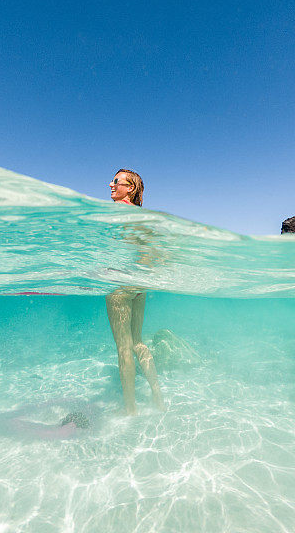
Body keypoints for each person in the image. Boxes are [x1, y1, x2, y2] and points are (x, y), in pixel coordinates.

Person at [106, 169, 165, 414]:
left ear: (129, 188)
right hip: (139, 285)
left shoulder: (114, 213)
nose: (110, 184)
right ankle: (157, 395)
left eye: (116, 181)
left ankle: (130, 408)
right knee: (138, 341)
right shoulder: (142, 218)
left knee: (124, 346)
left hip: (120, 287)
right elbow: (153, 252)